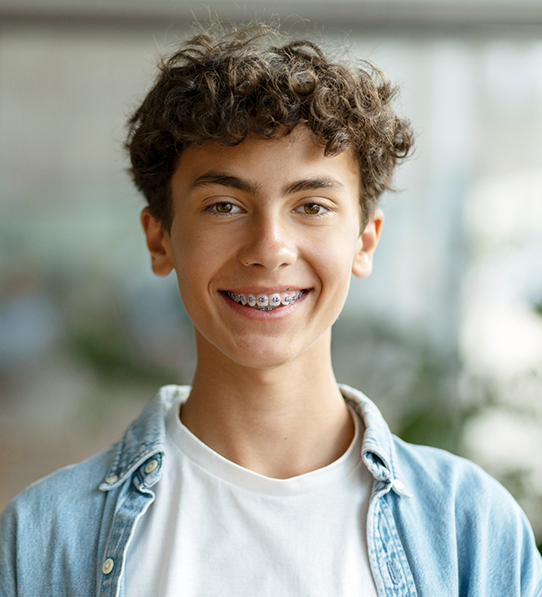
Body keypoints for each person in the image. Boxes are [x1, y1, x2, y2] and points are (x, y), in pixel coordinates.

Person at [1, 21, 541, 597]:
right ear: (161, 239)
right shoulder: (44, 537)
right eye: (225, 205)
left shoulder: (471, 528)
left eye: (311, 205)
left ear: (364, 241)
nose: (269, 249)